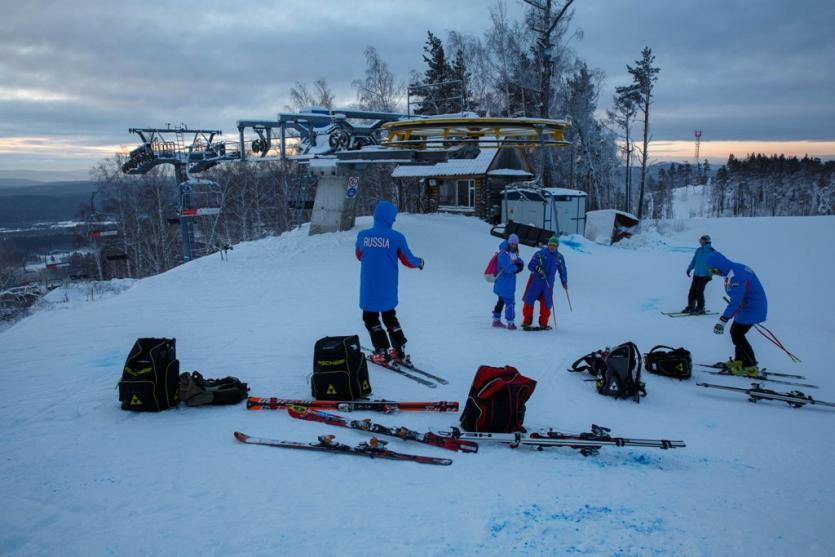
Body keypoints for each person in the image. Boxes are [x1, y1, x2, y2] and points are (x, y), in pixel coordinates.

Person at [355, 200, 424, 365]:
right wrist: (420, 262)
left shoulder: (363, 235)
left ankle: (382, 351)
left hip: (369, 287)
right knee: (389, 316)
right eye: (393, 217)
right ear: (389, 218)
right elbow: (408, 260)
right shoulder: (397, 237)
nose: (394, 221)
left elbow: (359, 255)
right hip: (388, 287)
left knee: (370, 318)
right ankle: (399, 351)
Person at [707, 251, 768, 376]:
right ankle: (740, 361)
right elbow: (738, 297)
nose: (714, 273)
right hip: (746, 307)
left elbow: (737, 301)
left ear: (720, 265)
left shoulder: (737, 275)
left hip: (752, 308)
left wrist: (723, 319)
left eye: (714, 270)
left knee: (738, 335)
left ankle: (750, 366)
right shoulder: (732, 269)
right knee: (736, 333)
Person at [521, 236, 567, 329]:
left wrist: (564, 281)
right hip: (536, 282)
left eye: (554, 245)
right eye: (550, 244)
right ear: (548, 244)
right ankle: (527, 321)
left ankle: (543, 323)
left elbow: (562, 270)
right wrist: (537, 268)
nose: (552, 247)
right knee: (529, 300)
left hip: (548, 284)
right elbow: (530, 265)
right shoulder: (540, 254)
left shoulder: (559, 257)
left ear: (557, 246)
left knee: (546, 302)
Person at [491, 234, 524, 330]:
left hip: (507, 283)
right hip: (504, 283)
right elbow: (507, 268)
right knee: (510, 302)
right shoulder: (503, 254)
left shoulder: (511, 252)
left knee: (501, 301)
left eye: (515, 244)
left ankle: (496, 320)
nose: (513, 245)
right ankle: (510, 323)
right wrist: (517, 268)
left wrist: (520, 264)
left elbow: (517, 260)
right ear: (508, 243)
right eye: (512, 243)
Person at [683, 234, 715, 314]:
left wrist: (710, 274)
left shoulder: (712, 252)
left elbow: (714, 265)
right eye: (700, 240)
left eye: (701, 240)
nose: (700, 242)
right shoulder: (699, 250)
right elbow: (694, 261)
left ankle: (700, 308)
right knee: (692, 291)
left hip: (705, 276)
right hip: (696, 274)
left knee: (699, 291)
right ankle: (691, 306)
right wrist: (689, 269)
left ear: (706, 241)